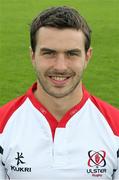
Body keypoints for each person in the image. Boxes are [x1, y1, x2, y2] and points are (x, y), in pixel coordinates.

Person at [0, 6, 119, 180]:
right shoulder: (3, 126)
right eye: (49, 53)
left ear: (87, 56)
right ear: (33, 56)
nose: (60, 66)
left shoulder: (115, 127)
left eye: (72, 54)